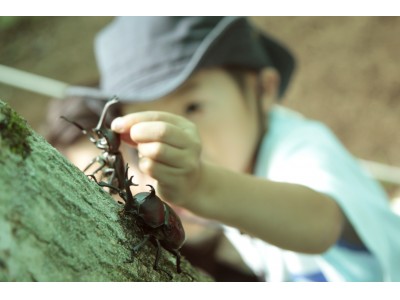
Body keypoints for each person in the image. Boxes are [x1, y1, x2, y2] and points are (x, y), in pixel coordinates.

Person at [61, 16, 400, 281]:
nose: (176, 134)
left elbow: (323, 221)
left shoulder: (301, 149)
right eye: (147, 126)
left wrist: (204, 186)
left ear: (264, 89)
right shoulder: (240, 159)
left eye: (192, 106)